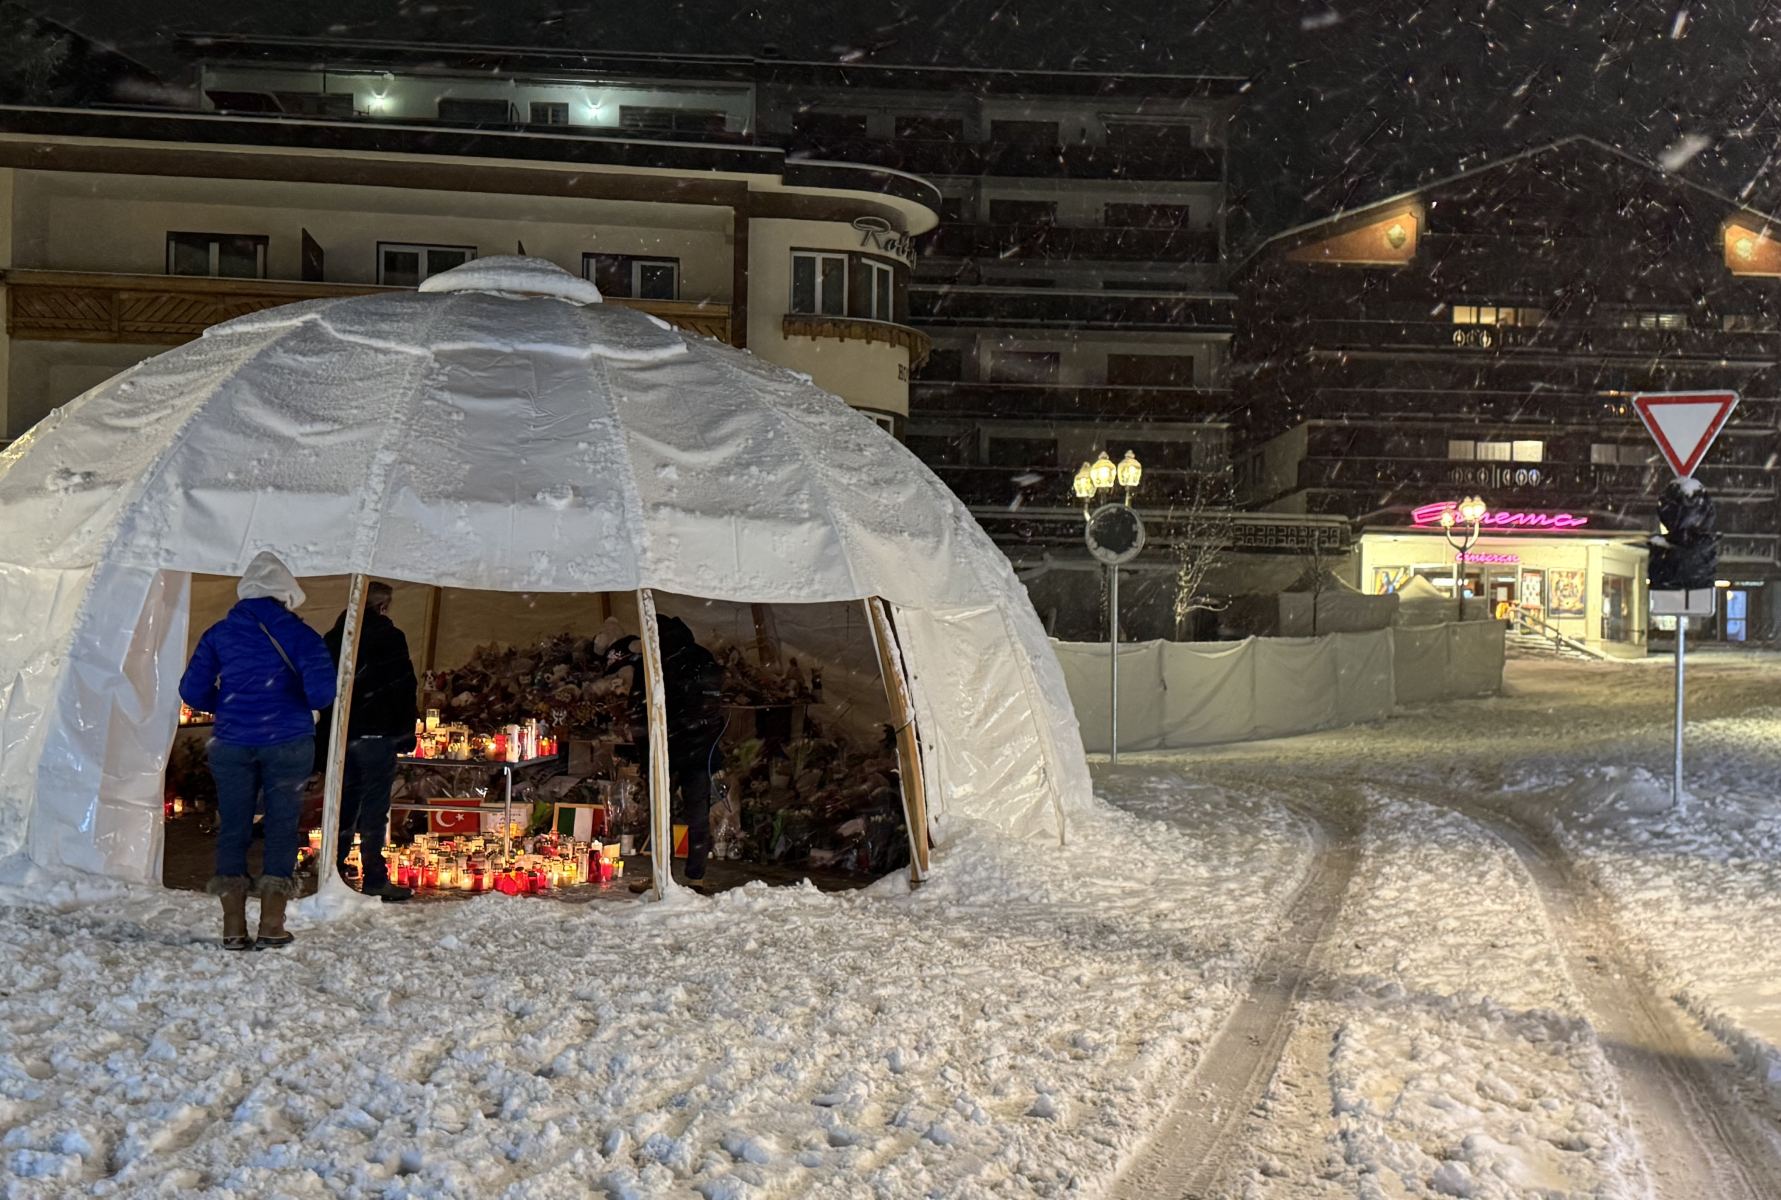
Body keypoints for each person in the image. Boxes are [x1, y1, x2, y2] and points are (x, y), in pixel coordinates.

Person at [179, 552, 335, 950]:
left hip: (231, 743)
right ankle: (271, 923)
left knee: (234, 826)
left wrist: (231, 704)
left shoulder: (219, 633)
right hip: (287, 743)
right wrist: (287, 704)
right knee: (282, 828)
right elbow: (321, 692)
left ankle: (233, 925)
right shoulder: (302, 636)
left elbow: (191, 691)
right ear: (286, 593)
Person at [319, 581, 419, 902]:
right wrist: (404, 734)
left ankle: (334, 871)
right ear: (382, 607)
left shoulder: (336, 639)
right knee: (375, 808)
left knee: (344, 803)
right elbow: (404, 688)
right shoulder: (390, 638)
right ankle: (374, 875)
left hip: (344, 735)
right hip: (378, 736)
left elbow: (324, 694)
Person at [657, 616, 726, 887]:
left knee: (665, 812)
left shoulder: (668, 660)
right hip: (694, 750)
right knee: (695, 814)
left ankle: (665, 874)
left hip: (678, 749)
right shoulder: (698, 657)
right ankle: (691, 875)